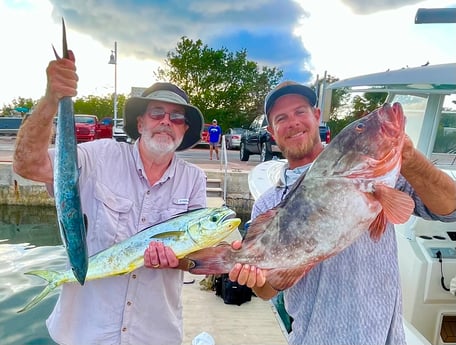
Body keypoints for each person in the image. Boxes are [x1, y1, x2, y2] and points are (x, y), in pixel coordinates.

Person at [228, 81, 456, 345]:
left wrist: (410, 157)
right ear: (271, 131)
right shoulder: (268, 203)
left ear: (316, 116)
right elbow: (268, 290)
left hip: (385, 339)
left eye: (300, 111)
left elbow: (450, 210)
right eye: (282, 118)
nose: (293, 123)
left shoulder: (382, 173)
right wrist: (253, 277)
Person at [13, 50, 207, 345]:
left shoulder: (194, 180)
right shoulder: (98, 156)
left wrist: (180, 260)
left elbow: (197, 256)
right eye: (157, 113)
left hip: (155, 336)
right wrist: (52, 100)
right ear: (140, 123)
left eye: (177, 117)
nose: (166, 121)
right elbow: (27, 164)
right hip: (83, 334)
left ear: (185, 130)